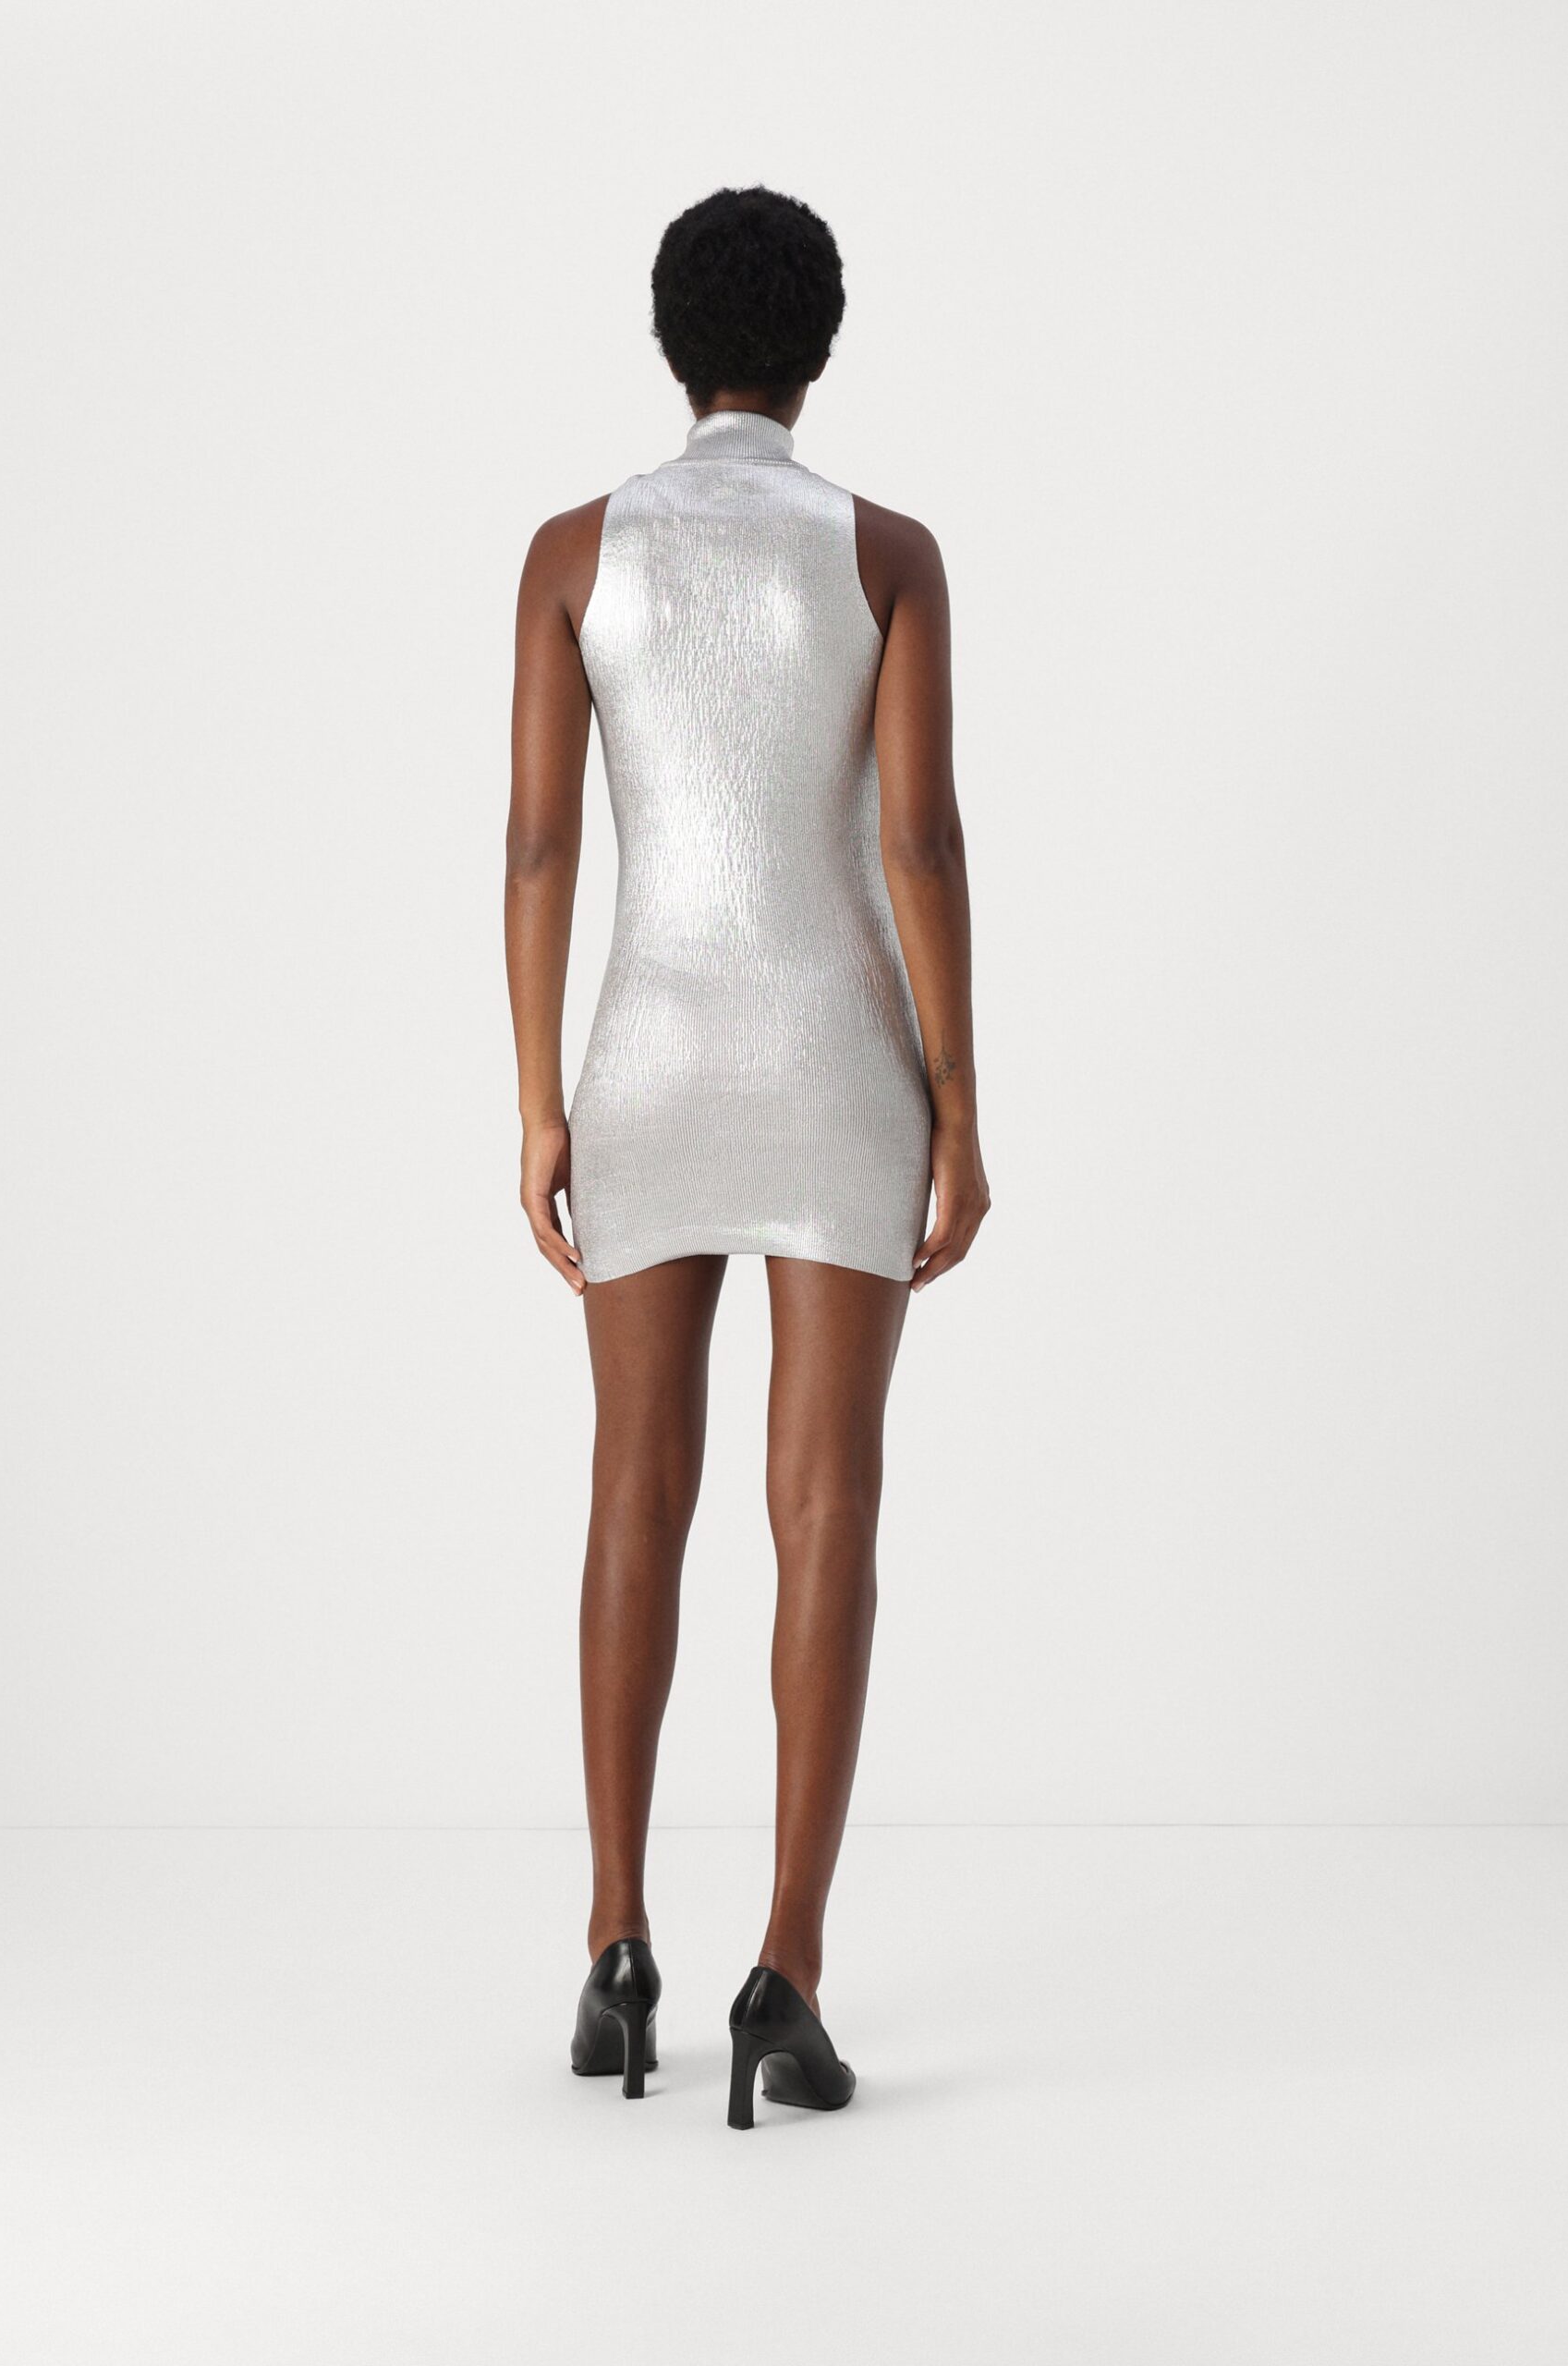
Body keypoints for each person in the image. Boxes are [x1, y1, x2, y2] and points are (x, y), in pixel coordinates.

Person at [504, 184, 989, 2129]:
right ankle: (785, 1967)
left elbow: (540, 844)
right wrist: (959, 1102)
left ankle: (614, 1943)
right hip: (840, 1062)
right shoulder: (887, 553)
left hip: (645, 1052)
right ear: (818, 347)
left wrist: (537, 1100)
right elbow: (918, 842)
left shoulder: (570, 551)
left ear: (668, 338)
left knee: (635, 1486)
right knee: (825, 1506)